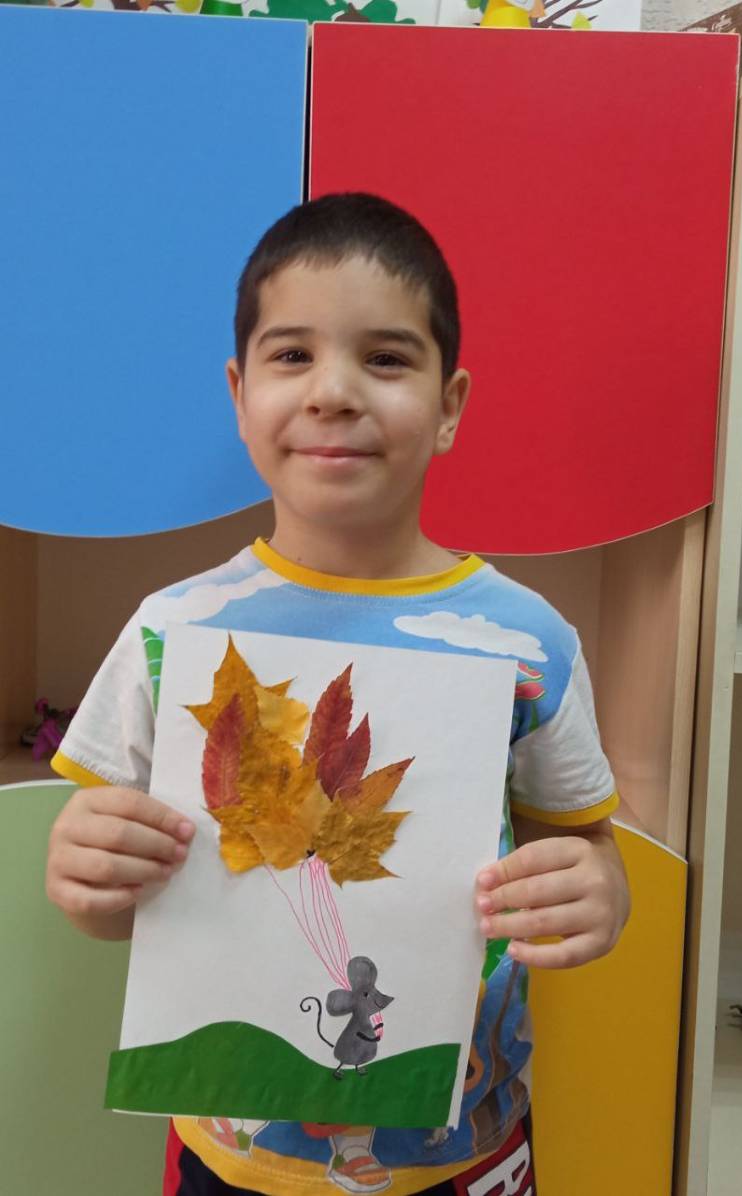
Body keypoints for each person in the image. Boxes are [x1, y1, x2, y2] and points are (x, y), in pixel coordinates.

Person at [45, 192, 630, 1196]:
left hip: (464, 1153)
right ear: (240, 395)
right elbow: (121, 901)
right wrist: (86, 877)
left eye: (387, 358)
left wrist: (599, 895)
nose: (334, 392)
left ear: (449, 405)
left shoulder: (526, 640)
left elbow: (583, 850)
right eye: (292, 355)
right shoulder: (171, 631)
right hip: (232, 1153)